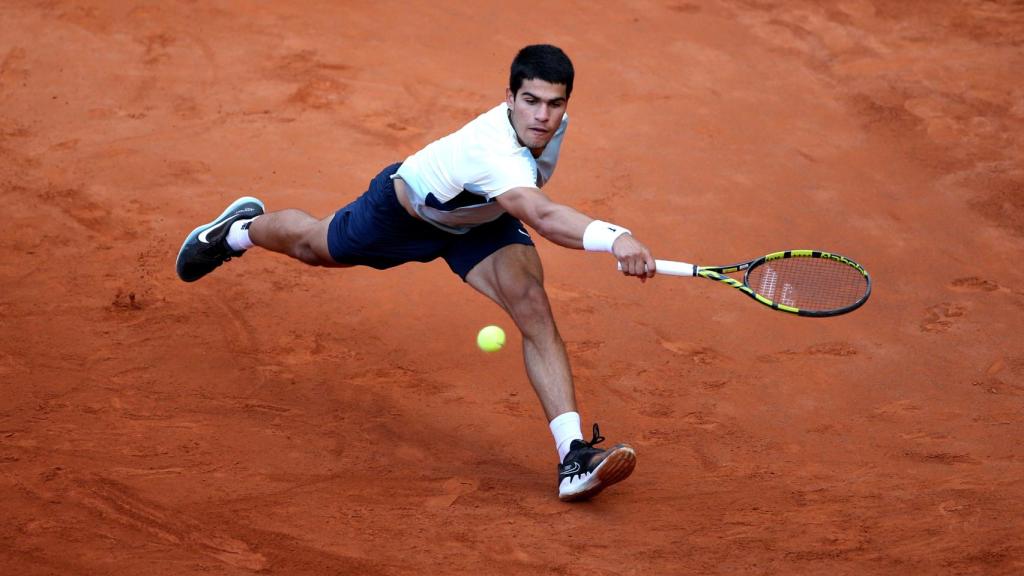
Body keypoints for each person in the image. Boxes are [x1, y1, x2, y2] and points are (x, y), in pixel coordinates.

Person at [176, 44, 657, 501]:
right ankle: (238, 231)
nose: (542, 116)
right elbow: (544, 216)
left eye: (554, 104)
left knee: (532, 304)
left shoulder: (552, 125)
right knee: (312, 246)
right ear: (508, 98)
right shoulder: (492, 150)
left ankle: (573, 457)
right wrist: (616, 236)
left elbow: (521, 200)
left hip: (482, 222)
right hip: (401, 216)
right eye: (529, 101)